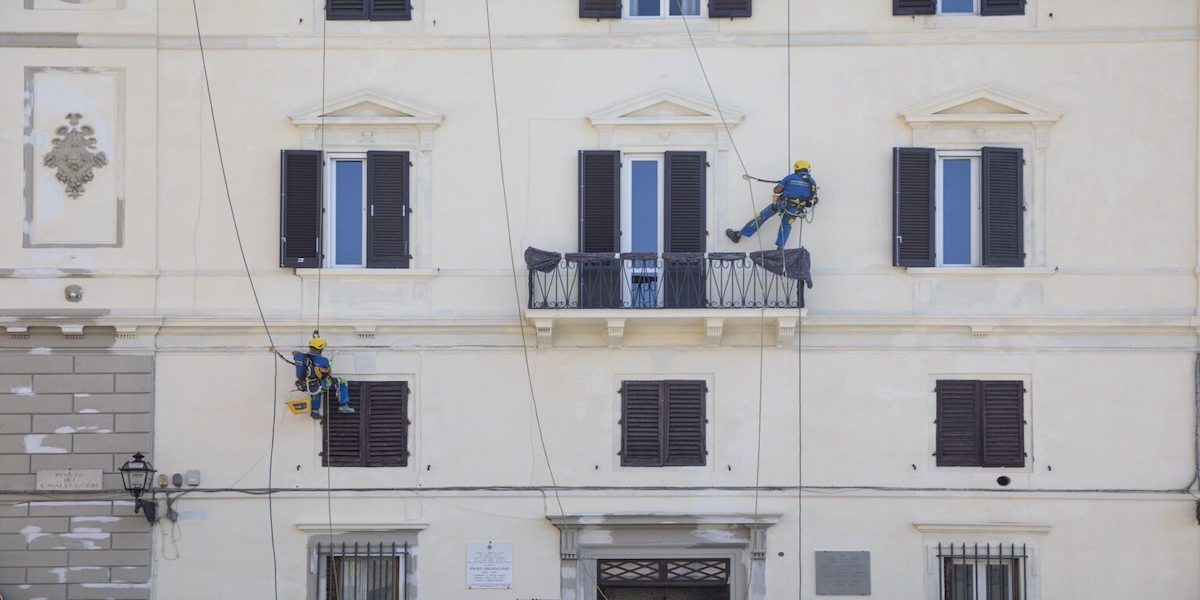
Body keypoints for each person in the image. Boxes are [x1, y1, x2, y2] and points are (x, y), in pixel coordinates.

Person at [726, 160, 818, 250]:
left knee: (761, 217)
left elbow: (776, 190)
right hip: (796, 210)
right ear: (808, 170)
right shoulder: (812, 182)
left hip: (781, 204)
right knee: (786, 225)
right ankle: (780, 248)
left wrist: (783, 185)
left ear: (796, 169)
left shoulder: (790, 178)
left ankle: (737, 235)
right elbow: (812, 197)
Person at [292, 337, 354, 419]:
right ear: (321, 349)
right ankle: (343, 405)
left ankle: (315, 410)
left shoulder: (300, 357)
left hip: (306, 385)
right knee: (342, 381)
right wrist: (330, 361)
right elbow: (328, 371)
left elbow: (294, 353)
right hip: (320, 384)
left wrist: (296, 353)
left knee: (316, 391)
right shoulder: (323, 360)